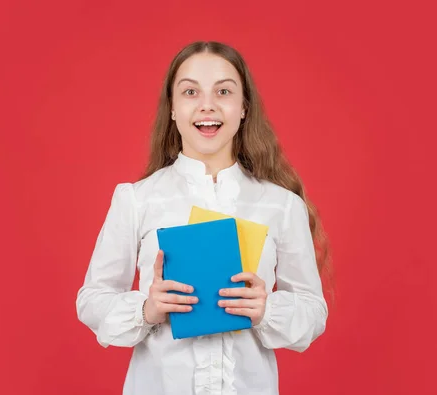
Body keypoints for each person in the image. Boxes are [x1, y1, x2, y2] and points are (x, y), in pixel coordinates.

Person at [76, 40, 332, 395]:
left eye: (223, 91)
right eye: (191, 92)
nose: (207, 105)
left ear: (244, 108)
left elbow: (312, 311)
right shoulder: (136, 200)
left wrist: (266, 309)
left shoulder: (281, 205)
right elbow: (92, 299)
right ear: (173, 109)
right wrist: (148, 309)